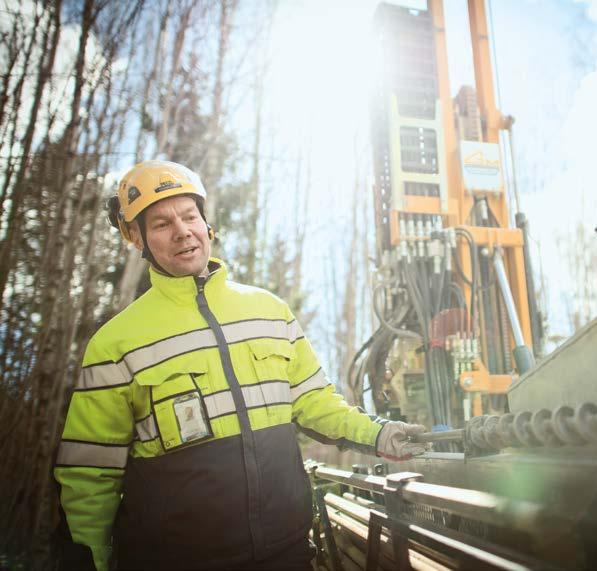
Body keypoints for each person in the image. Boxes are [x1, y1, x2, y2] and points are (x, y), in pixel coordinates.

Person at [54, 160, 427, 570]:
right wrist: (89, 561)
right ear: (135, 238)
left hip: (285, 552)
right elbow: (90, 473)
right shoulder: (114, 344)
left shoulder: (269, 311)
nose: (182, 231)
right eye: (161, 224)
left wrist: (378, 435)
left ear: (206, 224)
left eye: (190, 216)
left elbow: (315, 403)